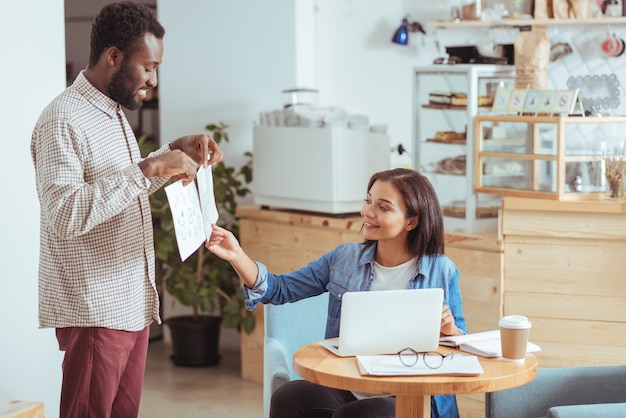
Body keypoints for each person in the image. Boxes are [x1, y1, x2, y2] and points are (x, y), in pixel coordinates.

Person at [30, 2, 223, 417]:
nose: (153, 80)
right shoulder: (62, 120)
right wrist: (151, 166)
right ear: (114, 57)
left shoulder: (111, 111)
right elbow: (65, 214)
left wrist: (172, 153)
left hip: (129, 301)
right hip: (95, 305)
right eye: (148, 67)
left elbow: (120, 187)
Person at [206, 167, 468, 418]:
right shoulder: (345, 259)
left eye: (383, 207)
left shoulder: (441, 270)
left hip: (410, 398)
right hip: (351, 386)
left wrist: (451, 332)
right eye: (368, 201)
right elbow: (279, 289)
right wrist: (236, 255)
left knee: (356, 415)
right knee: (290, 396)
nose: (367, 212)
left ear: (412, 221)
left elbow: (463, 344)